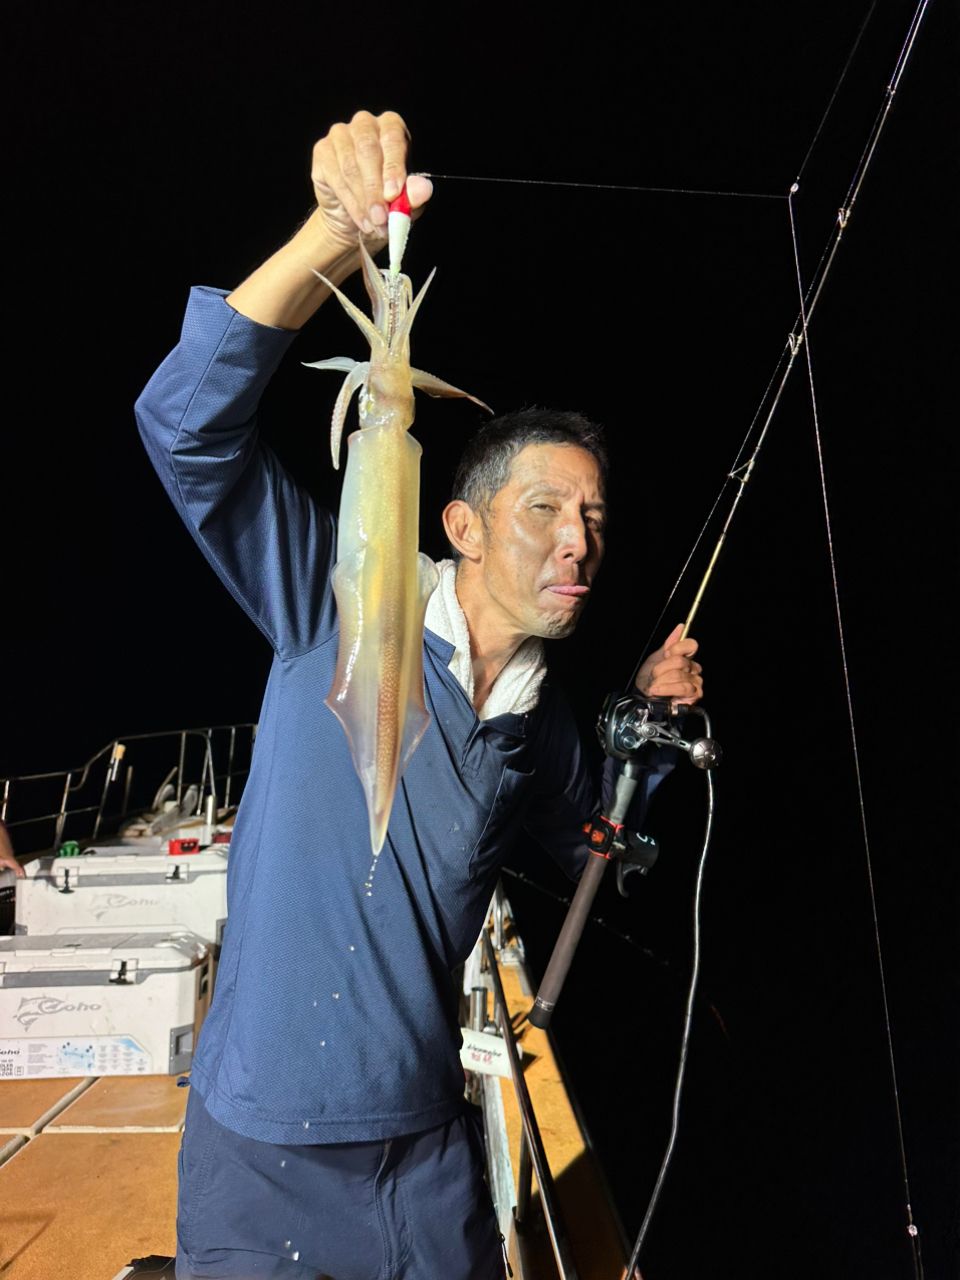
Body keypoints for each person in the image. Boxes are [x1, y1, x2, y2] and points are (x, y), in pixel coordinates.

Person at [136, 110, 703, 1280]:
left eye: (593, 520)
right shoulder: (332, 602)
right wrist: (329, 236)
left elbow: (609, 844)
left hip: (431, 1152)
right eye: (545, 508)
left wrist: (648, 724)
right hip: (264, 1152)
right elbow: (186, 428)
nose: (577, 542)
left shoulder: (538, 722)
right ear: (460, 526)